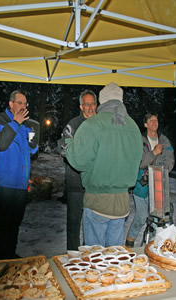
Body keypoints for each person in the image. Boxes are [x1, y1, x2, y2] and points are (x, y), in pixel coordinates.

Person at [65, 82, 143, 247]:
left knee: (95, 258)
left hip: (97, 202)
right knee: (113, 258)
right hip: (122, 203)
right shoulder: (134, 127)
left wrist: (70, 143)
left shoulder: (93, 124)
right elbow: (139, 161)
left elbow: (78, 161)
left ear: (101, 102)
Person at [0, 90, 38, 259]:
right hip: (7, 179)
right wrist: (15, 123)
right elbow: (1, 143)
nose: (23, 107)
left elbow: (31, 149)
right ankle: (2, 254)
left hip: (21, 180)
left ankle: (10, 252)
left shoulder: (24, 123)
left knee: (16, 220)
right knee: (5, 220)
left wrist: (33, 138)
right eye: (19, 103)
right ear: (11, 104)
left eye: (25, 104)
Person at [125, 112, 175, 247]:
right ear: (146, 124)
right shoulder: (140, 141)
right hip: (141, 184)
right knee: (141, 216)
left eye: (156, 120)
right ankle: (130, 241)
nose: (154, 122)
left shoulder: (164, 140)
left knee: (156, 217)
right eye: (151, 120)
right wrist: (153, 153)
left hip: (158, 183)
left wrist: (162, 170)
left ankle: (150, 245)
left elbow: (170, 159)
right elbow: (140, 163)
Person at [58, 90, 97, 251]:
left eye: (92, 103)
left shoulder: (101, 125)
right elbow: (62, 148)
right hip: (76, 184)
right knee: (74, 224)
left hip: (96, 185)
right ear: (81, 106)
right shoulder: (73, 125)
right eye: (86, 104)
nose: (90, 107)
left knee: (93, 225)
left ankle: (90, 257)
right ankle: (73, 257)